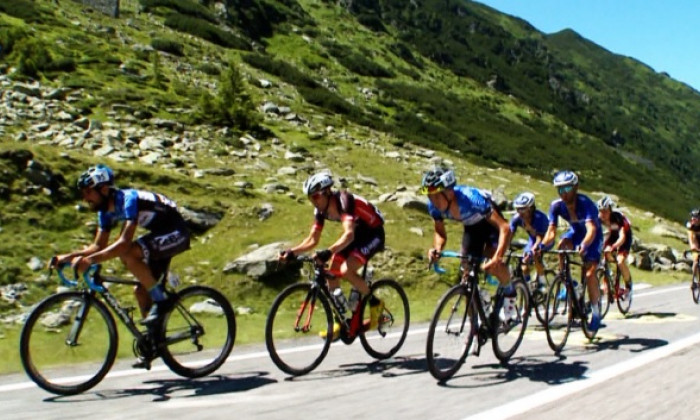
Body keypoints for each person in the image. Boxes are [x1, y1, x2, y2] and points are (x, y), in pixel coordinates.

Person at [52, 164, 191, 328]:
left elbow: (124, 244)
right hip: (159, 234)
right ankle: (155, 337)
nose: (85, 198)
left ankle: (162, 301)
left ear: (104, 189)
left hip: (177, 232)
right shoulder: (104, 212)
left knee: (128, 253)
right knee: (141, 292)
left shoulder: (128, 199)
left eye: (88, 192)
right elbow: (98, 246)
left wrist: (90, 261)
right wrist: (68, 257)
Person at [279, 172, 386, 340]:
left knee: (346, 270)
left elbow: (349, 234)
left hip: (373, 233)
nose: (314, 201)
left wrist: (328, 252)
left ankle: (376, 303)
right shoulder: (320, 210)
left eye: (316, 196)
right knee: (331, 272)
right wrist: (293, 252)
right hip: (357, 234)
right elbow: (313, 240)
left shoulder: (344, 201)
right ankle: (340, 321)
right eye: (310, 198)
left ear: (327, 192)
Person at [420, 167, 516, 322]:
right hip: (472, 229)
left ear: (449, 192)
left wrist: (497, 258)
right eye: (430, 196)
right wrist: (437, 249)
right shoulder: (434, 207)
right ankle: (476, 324)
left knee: (492, 265)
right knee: (467, 276)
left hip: (491, 226)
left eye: (436, 195)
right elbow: (440, 233)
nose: (433, 201)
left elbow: (505, 228)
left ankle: (510, 293)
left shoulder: (471, 199)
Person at [542, 170, 604, 332]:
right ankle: (568, 281)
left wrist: (584, 245)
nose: (563, 193)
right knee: (561, 245)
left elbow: (591, 229)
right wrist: (542, 246)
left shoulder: (586, 203)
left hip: (593, 237)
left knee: (590, 274)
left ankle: (596, 312)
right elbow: (551, 232)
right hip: (576, 232)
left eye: (567, 188)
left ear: (575, 188)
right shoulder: (556, 206)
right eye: (560, 189)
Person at [509, 192, 552, 293]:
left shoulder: (540, 218)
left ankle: (542, 283)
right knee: (523, 264)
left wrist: (533, 250)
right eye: (518, 209)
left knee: (536, 254)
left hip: (545, 239)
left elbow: (540, 238)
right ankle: (528, 289)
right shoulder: (517, 218)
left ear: (531, 208)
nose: (520, 212)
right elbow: (509, 234)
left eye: (523, 209)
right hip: (532, 240)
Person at [597, 196, 633, 297]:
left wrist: (613, 247)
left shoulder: (617, 218)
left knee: (620, 260)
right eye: (601, 211)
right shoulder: (599, 218)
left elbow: (622, 237)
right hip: (612, 235)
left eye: (605, 211)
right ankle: (609, 276)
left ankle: (629, 286)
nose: (603, 214)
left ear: (610, 210)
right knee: (603, 256)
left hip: (624, 237)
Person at [686, 208, 700, 288]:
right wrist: (693, 247)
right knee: (695, 260)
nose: (694, 219)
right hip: (696, 242)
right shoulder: (690, 226)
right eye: (693, 217)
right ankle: (693, 281)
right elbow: (691, 238)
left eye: (696, 217)